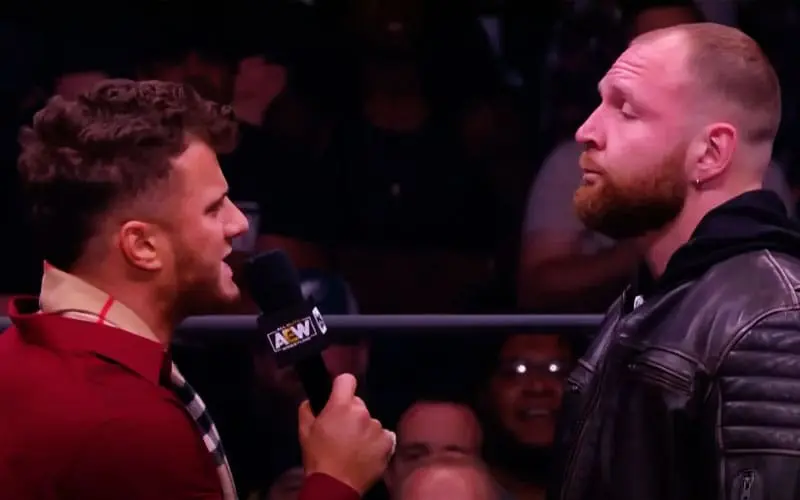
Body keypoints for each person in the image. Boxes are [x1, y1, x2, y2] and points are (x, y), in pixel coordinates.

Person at [0, 79, 394, 500]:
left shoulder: (27, 354)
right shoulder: (125, 422)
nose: (238, 224)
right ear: (142, 246)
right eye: (213, 208)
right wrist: (336, 480)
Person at [549, 23, 800, 500]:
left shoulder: (773, 322)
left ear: (710, 153)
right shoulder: (653, 296)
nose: (587, 131)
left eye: (625, 110)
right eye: (600, 102)